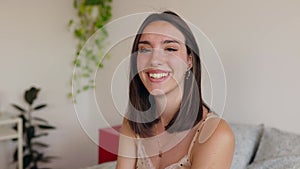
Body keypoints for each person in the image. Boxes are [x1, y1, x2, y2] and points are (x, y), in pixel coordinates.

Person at [116, 11, 235, 169]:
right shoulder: (134, 121)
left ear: (189, 60)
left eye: (170, 49)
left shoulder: (215, 134)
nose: (155, 60)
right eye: (145, 49)